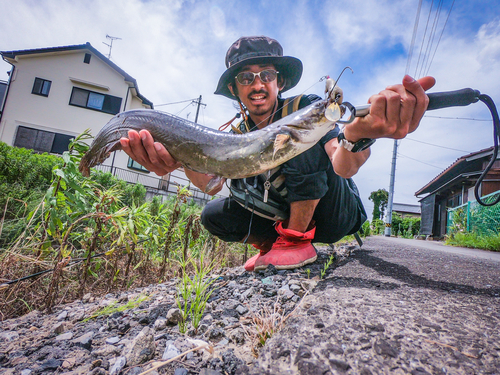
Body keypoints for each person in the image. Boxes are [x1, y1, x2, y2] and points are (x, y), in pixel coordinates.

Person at [120, 36, 435, 272]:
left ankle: (297, 239)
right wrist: (181, 159)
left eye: (266, 74)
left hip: (333, 215)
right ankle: (274, 243)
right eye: (246, 77)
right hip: (278, 214)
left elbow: (342, 163)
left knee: (290, 137)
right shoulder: (234, 136)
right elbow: (210, 184)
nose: (257, 84)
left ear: (278, 81)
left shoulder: (306, 110)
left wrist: (357, 135)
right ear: (235, 88)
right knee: (213, 214)